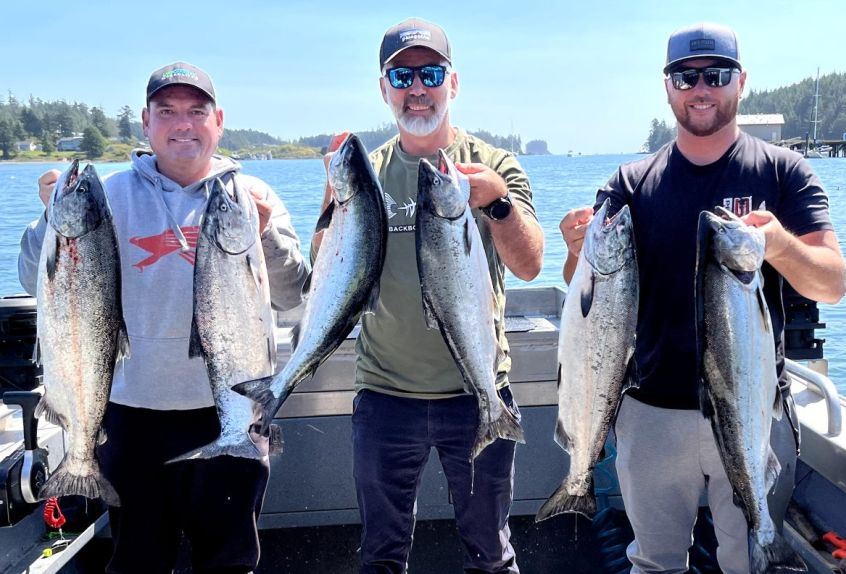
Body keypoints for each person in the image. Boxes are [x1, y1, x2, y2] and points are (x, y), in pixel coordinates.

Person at [558, 23, 846, 574]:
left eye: (714, 75)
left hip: (752, 409)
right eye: (684, 77)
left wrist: (779, 244)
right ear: (667, 88)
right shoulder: (631, 182)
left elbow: (832, 283)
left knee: (748, 562)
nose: (700, 88)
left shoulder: (784, 172)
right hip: (650, 415)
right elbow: (585, 287)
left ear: (741, 82)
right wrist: (576, 250)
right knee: (655, 563)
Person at [18, 62, 311, 574]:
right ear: (146, 124)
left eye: (196, 111)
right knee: (137, 561)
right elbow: (31, 279)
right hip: (131, 417)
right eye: (167, 111)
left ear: (218, 121)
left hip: (233, 411)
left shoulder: (255, 197)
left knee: (229, 562)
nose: (183, 124)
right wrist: (48, 216)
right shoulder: (103, 194)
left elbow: (292, 295)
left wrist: (266, 235)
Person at [314, 17, 543, 574]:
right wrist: (331, 198)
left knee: (491, 551)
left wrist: (495, 203)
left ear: (453, 83)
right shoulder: (367, 172)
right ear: (385, 89)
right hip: (385, 396)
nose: (418, 87)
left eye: (431, 73)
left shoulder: (494, 165)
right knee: (380, 553)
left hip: (479, 389)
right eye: (402, 75)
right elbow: (325, 274)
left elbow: (532, 264)